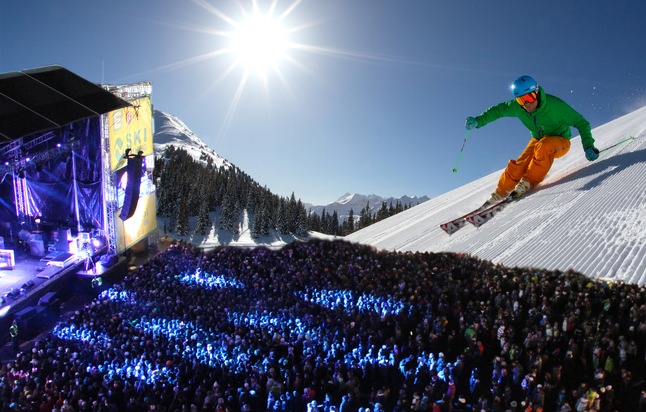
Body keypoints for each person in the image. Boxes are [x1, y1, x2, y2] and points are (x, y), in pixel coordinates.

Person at [465, 75, 600, 207]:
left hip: (560, 140)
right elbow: (497, 111)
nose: (526, 104)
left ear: (536, 92)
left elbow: (581, 123)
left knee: (544, 146)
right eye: (521, 100)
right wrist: (478, 121)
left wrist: (588, 145)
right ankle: (500, 193)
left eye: (529, 97)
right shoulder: (518, 108)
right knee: (520, 164)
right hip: (538, 138)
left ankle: (528, 182)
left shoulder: (554, 106)